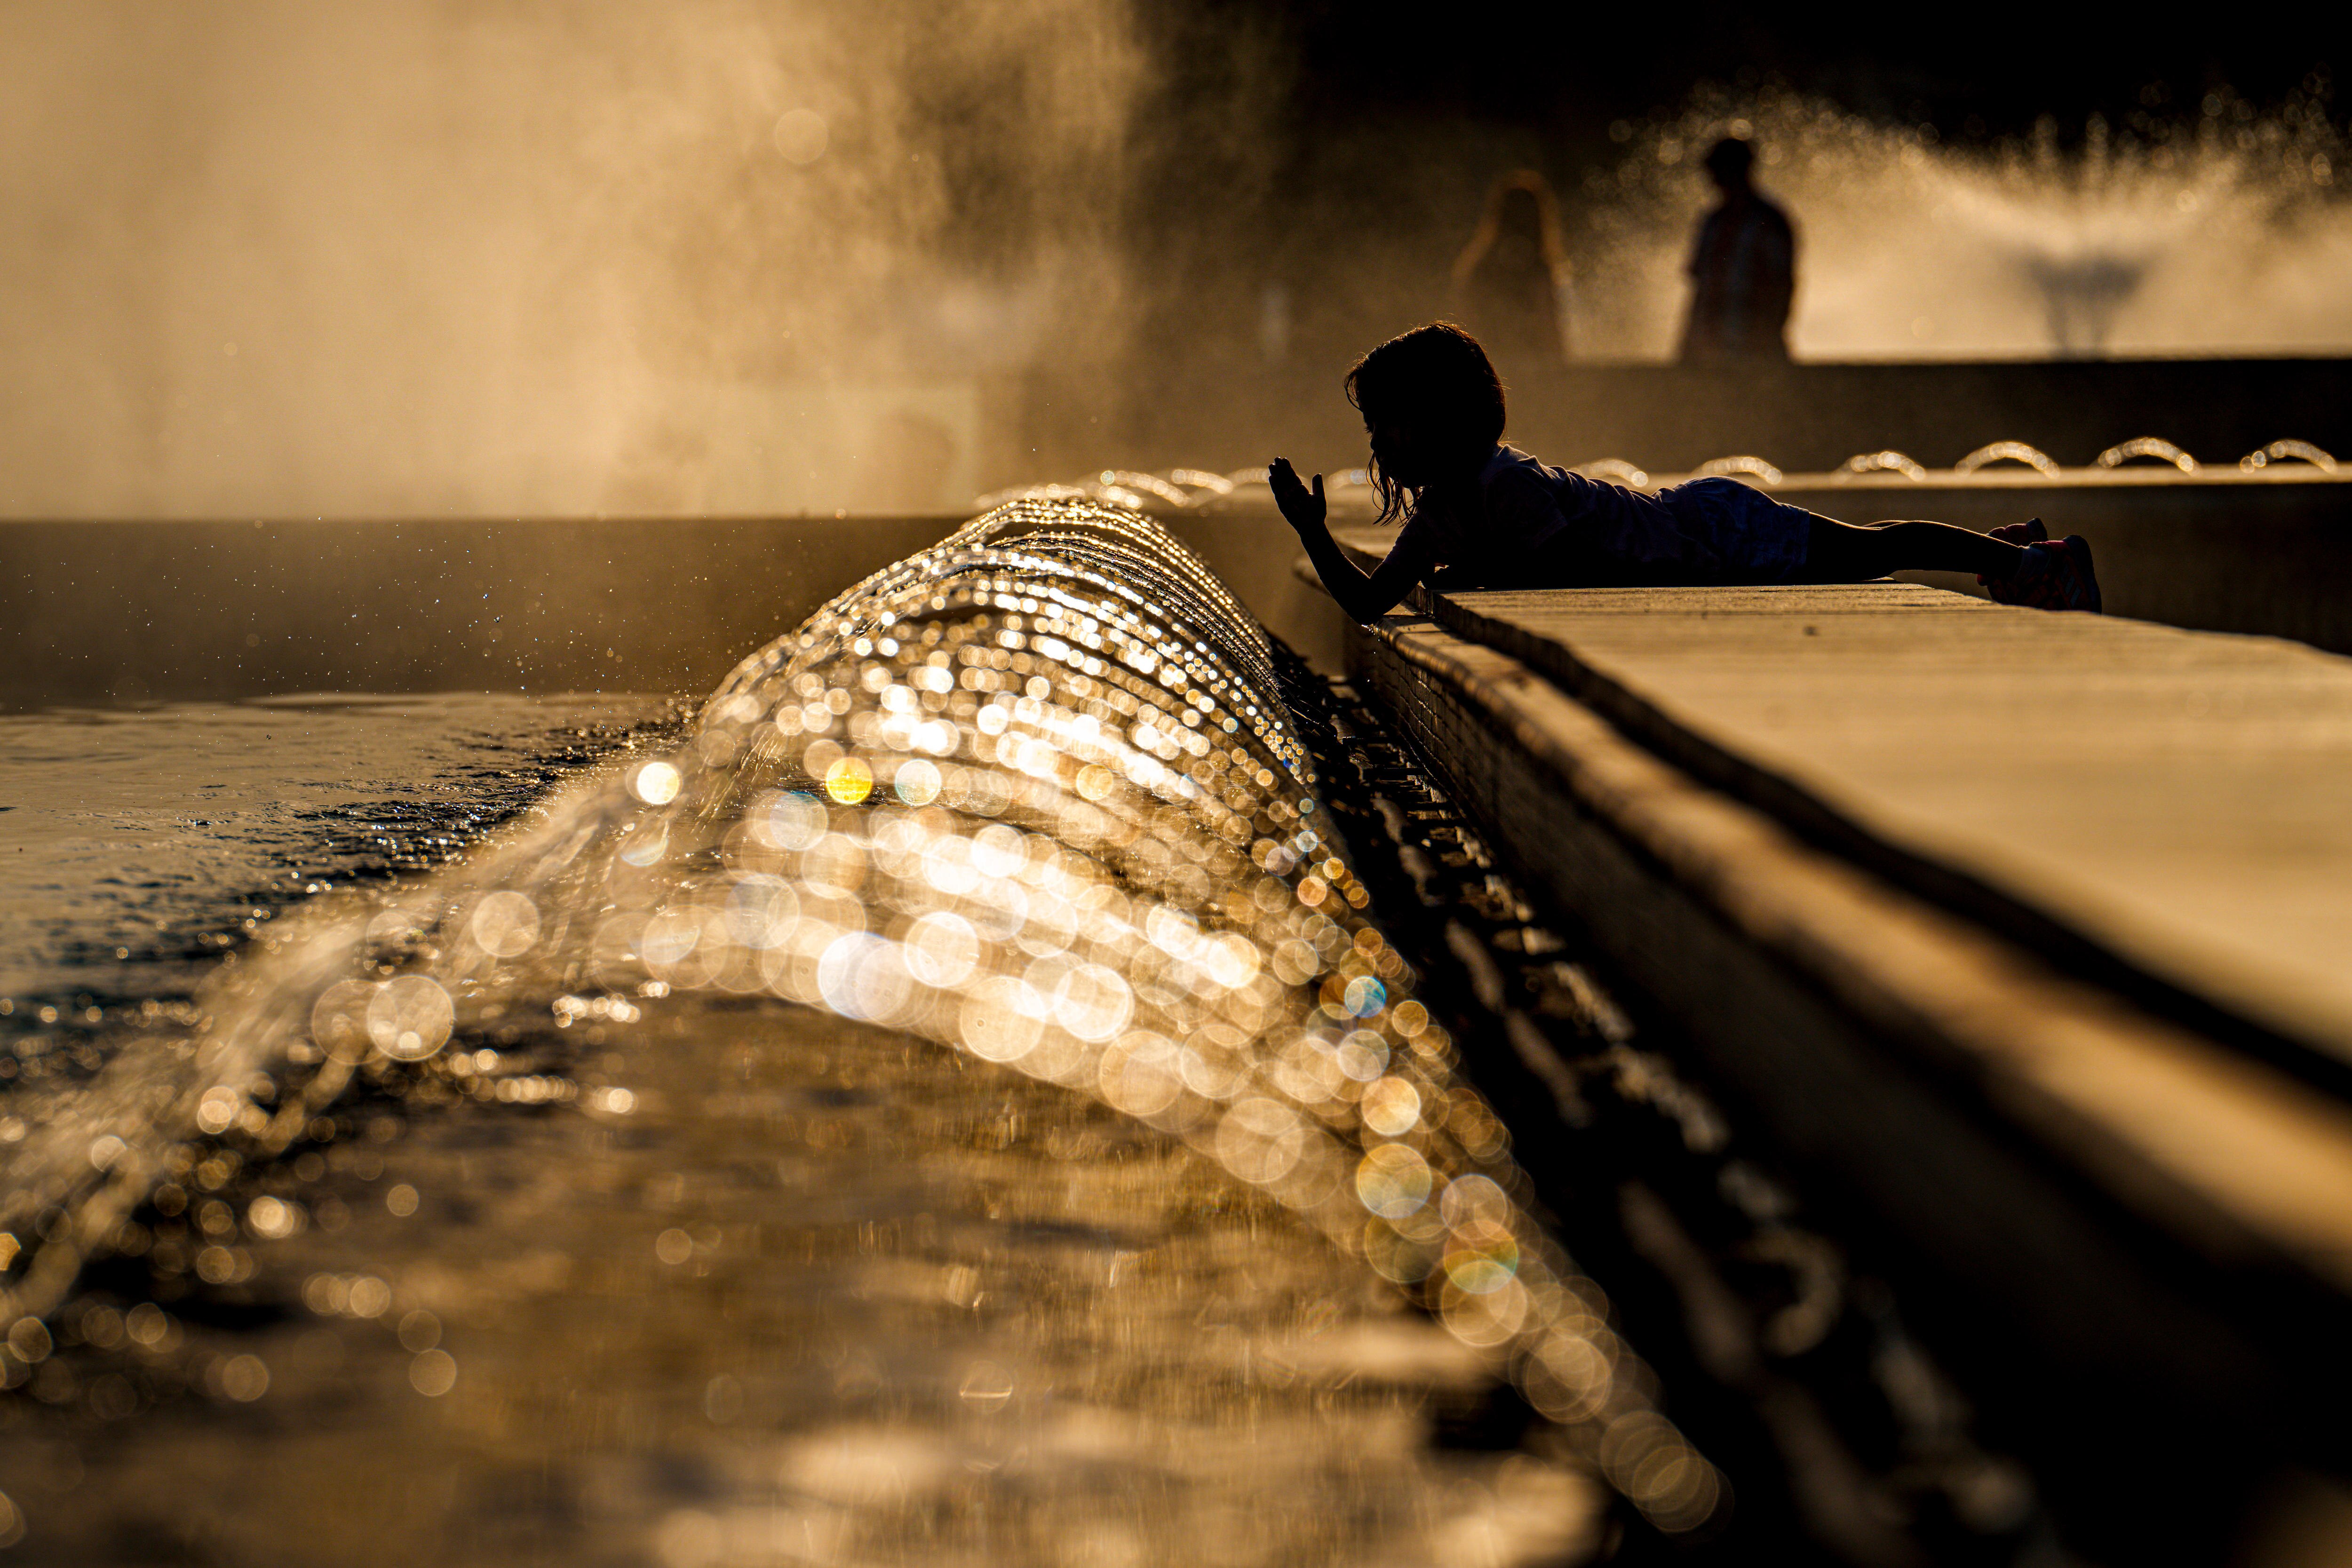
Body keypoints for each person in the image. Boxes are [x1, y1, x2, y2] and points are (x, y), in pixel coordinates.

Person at [1271, 322, 2099, 622]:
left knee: (1875, 549)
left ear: (1445, 415)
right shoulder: (1447, 511)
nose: (1379, 440)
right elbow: (1375, 603)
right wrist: (1311, 531)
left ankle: (2035, 563)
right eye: (1372, 425)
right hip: (1697, 545)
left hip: (1713, 533)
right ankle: (2008, 550)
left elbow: (1565, 567)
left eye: (1389, 420)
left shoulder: (1501, 485)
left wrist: (1476, 572)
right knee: (1871, 550)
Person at [1678, 136, 1795, 363]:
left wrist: (1768, 335)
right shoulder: (1713, 222)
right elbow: (1700, 285)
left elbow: (1782, 284)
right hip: (1708, 346)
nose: (1713, 180)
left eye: (1718, 171)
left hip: (1754, 346)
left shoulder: (1767, 220)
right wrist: (1687, 343)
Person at [1449, 170, 1575, 374]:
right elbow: (1548, 323)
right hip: (1533, 369)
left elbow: (1466, 319)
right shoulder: (1537, 267)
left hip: (1488, 369)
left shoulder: (1480, 267)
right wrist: (1562, 368)